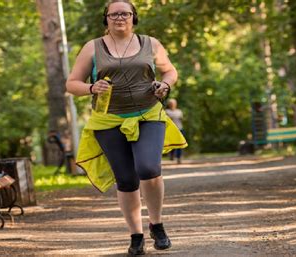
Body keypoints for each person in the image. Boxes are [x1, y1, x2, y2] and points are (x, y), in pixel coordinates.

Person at [65, 0, 187, 255]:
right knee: (126, 179)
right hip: (108, 120)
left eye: (125, 13)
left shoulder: (150, 43)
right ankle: (136, 235)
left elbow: (169, 71)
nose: (120, 17)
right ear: (106, 19)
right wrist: (90, 87)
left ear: (133, 17)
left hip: (148, 115)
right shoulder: (92, 48)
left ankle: (157, 224)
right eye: (114, 14)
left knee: (148, 168)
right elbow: (72, 83)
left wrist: (165, 85)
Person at [165, 99, 184, 164]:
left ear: (176, 104)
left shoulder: (179, 111)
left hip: (179, 129)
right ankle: (171, 155)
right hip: (170, 130)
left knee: (180, 144)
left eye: (173, 103)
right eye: (171, 103)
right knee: (172, 143)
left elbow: (182, 119)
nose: (172, 104)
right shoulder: (166, 111)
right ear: (169, 104)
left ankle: (179, 157)